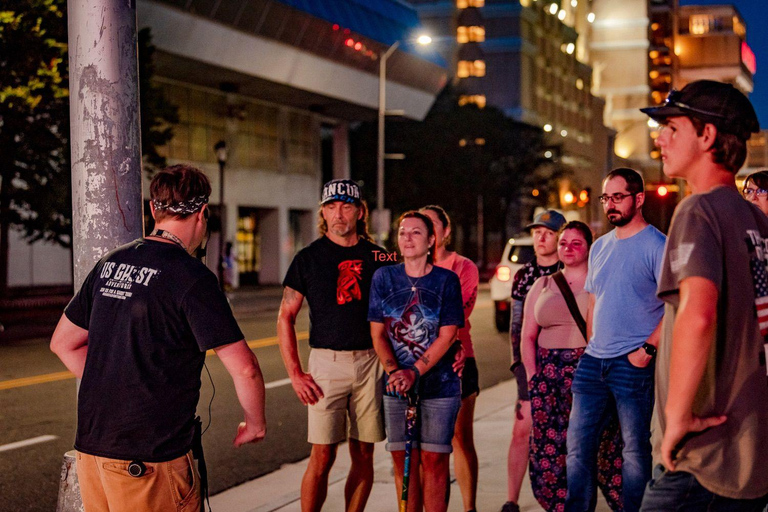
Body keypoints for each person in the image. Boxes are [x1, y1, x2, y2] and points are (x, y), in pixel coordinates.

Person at [50, 164, 267, 512]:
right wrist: (254, 423)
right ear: (202, 213)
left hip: (91, 453)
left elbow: (63, 342)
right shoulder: (192, 276)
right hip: (149, 461)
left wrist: (118, 387)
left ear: (154, 209)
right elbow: (246, 369)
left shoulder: (111, 262)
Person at [639, 80, 768, 509]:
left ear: (706, 135)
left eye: (671, 127)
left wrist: (676, 421)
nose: (660, 138)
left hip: (702, 456)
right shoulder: (754, 219)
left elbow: (698, 313)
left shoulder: (698, 210)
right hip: (748, 450)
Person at [277, 179, 387, 512]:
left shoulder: (379, 257)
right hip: (326, 364)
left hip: (371, 362)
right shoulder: (308, 258)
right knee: (322, 454)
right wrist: (295, 374)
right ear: (323, 212)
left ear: (360, 211)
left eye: (347, 206)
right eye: (331, 206)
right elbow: (285, 317)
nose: (339, 214)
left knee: (365, 452)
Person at [566, 168, 665, 512]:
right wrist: (590, 347)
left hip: (633, 363)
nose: (610, 205)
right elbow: (594, 300)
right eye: (606, 198)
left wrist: (648, 348)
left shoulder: (657, 245)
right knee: (577, 447)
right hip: (594, 362)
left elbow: (676, 304)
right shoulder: (600, 247)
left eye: (618, 197)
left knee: (634, 450)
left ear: (638, 199)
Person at [522, 221, 623, 511]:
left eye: (576, 243)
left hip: (588, 374)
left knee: (601, 449)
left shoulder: (600, 282)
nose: (568, 248)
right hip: (548, 380)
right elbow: (527, 335)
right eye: (563, 242)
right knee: (549, 454)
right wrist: (533, 379)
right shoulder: (543, 284)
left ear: (589, 248)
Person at [368, 210, 465, 512]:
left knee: (435, 462)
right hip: (396, 386)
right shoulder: (383, 277)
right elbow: (378, 333)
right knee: (403, 463)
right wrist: (396, 372)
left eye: (416, 232)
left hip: (440, 385)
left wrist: (415, 371)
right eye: (402, 232)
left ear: (431, 240)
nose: (407, 238)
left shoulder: (446, 280)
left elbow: (448, 334)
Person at [502, 209, 566, 512]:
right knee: (522, 428)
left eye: (549, 232)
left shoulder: (572, 269)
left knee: (565, 433)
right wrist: (520, 371)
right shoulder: (524, 275)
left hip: (567, 363)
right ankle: (511, 499)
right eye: (537, 231)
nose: (541, 237)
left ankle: (564, 496)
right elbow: (517, 328)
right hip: (532, 364)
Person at [421, 205, 480, 512]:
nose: (426, 232)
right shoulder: (407, 267)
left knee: (459, 438)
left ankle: (469, 507)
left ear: (444, 232)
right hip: (418, 365)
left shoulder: (463, 266)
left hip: (458, 360)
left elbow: (457, 315)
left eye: (431, 225)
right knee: (427, 448)